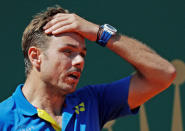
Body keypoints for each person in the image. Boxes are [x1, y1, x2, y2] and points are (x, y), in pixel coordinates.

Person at [0, 5, 176, 131]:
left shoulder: (92, 102)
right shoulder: (4, 118)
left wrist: (99, 32)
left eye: (82, 54)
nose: (79, 61)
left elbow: (163, 74)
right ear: (35, 56)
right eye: (67, 51)